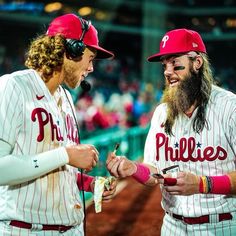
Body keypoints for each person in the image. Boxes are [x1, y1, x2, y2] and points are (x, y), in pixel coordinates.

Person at [106, 28, 236, 235]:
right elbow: (154, 172)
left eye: (175, 63)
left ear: (197, 63)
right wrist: (133, 168)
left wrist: (203, 184)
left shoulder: (230, 107)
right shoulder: (161, 113)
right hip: (173, 226)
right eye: (165, 64)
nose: (167, 71)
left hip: (221, 225)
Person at [0, 13, 117, 236]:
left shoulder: (66, 98)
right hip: (26, 230)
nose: (92, 68)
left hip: (71, 228)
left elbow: (56, 166)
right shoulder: (13, 87)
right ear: (70, 50)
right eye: (90, 58)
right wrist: (65, 155)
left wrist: (88, 183)